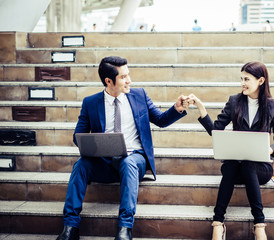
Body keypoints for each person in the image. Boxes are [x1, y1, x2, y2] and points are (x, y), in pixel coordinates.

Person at [56, 56, 189, 240]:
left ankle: (125, 227)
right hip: (103, 162)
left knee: (129, 162)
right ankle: (70, 226)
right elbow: (78, 137)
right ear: (108, 81)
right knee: (80, 164)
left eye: (129, 75)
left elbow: (161, 120)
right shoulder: (90, 103)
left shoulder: (139, 96)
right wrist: (98, 144)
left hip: (134, 160)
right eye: (123, 77)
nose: (129, 80)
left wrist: (177, 108)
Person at [188, 62, 274, 240]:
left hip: (261, 168)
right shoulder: (235, 101)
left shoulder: (273, 106)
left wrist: (270, 150)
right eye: (241, 78)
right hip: (235, 167)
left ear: (261, 81)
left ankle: (259, 224)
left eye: (247, 79)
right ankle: (218, 223)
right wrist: (201, 108)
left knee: (249, 165)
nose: (242, 83)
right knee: (231, 166)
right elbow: (216, 130)